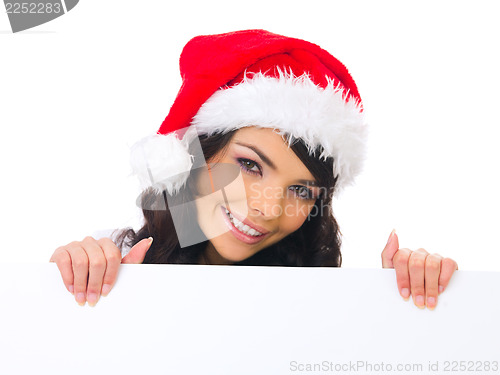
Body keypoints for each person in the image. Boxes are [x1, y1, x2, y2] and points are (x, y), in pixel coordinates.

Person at [49, 29, 458, 309]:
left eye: (302, 191)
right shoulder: (117, 265)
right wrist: (73, 297)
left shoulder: (322, 304)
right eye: (249, 165)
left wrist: (402, 306)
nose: (267, 209)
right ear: (195, 155)